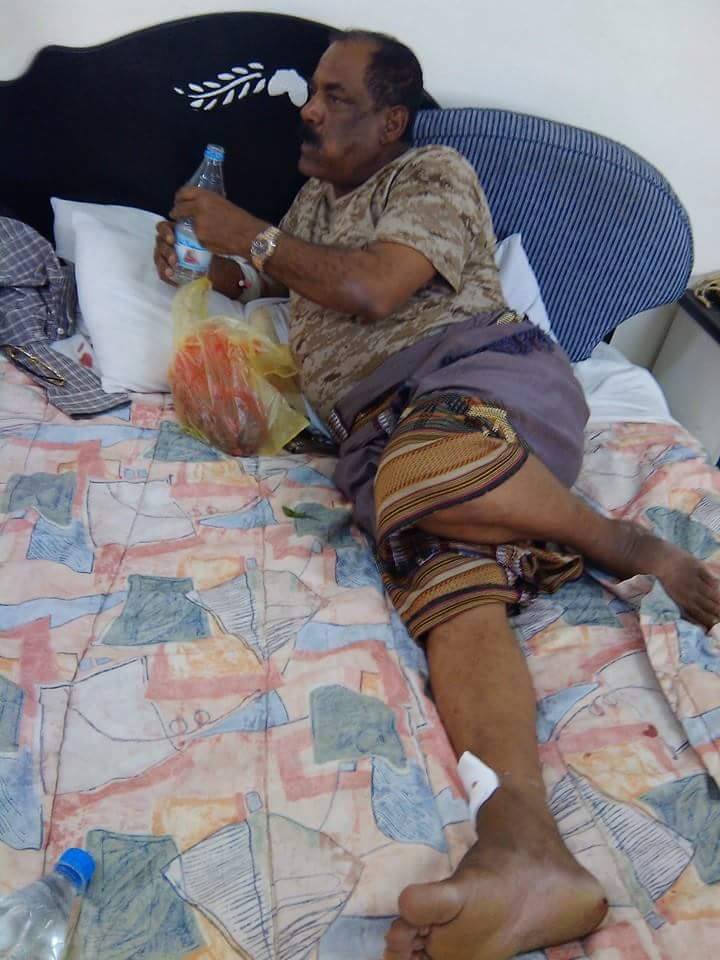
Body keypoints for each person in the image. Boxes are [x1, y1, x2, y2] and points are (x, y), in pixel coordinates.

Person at [154, 30, 720, 960]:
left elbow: (376, 289)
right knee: (450, 602)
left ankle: (619, 543)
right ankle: (525, 853)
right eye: (313, 93)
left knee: (420, 469)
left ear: (392, 121)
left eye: (336, 97)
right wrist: (203, 256)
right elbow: (262, 272)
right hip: (380, 440)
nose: (309, 110)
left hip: (482, 376)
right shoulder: (309, 207)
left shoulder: (430, 174)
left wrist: (247, 231)